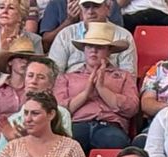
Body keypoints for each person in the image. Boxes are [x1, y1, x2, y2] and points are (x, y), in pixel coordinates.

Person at [54, 20, 136, 149]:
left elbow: (132, 108)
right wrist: (86, 93)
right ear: (84, 50)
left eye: (99, 47)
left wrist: (102, 89)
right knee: (63, 146)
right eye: (89, 46)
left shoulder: (123, 76)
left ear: (109, 51)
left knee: (116, 142)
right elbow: (59, 111)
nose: (93, 51)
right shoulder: (67, 77)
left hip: (109, 125)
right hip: (76, 125)